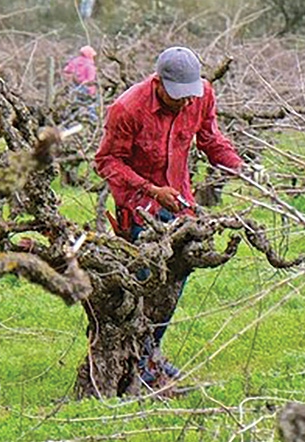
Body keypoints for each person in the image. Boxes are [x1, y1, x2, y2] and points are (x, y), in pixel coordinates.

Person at [94, 46, 244, 385]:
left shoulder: (201, 95)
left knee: (175, 279)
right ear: (159, 82)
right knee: (146, 284)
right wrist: (150, 189)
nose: (186, 103)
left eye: (190, 95)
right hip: (139, 208)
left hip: (181, 203)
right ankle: (138, 362)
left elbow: (210, 138)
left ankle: (149, 356)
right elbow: (107, 162)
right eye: (179, 96)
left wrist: (236, 165)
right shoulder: (128, 109)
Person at [62, 45, 98, 123]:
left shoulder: (75, 61)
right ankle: (93, 122)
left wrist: (71, 79)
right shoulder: (90, 64)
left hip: (75, 87)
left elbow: (67, 70)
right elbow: (91, 79)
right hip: (86, 88)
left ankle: (71, 121)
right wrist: (92, 91)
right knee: (91, 106)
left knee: (75, 105)